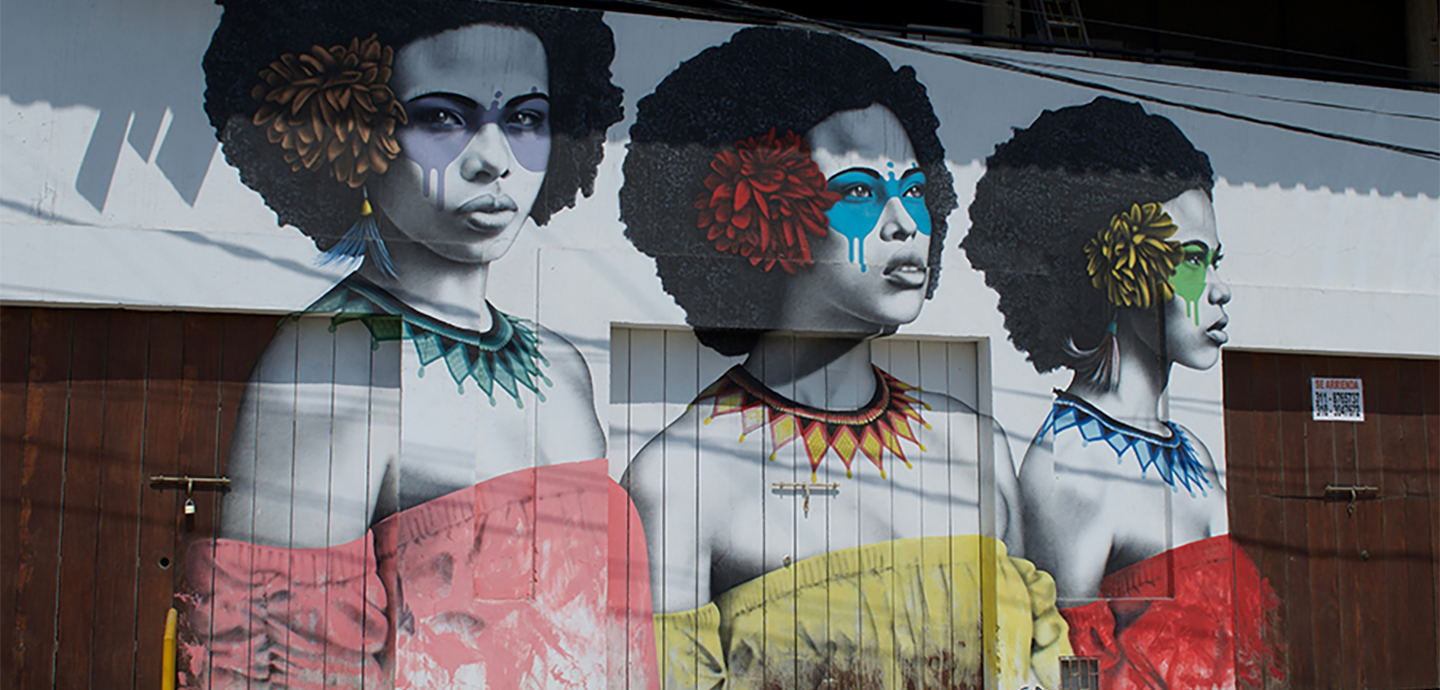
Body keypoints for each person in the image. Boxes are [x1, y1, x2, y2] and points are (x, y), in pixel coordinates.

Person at [180, 2, 655, 688]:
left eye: (523, 118)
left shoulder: (562, 367)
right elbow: (272, 657)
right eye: (442, 117)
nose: (493, 161)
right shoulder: (328, 363)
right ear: (353, 130)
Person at [621, 27, 1069, 690]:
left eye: (915, 190)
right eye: (858, 192)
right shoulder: (679, 479)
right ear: (763, 210)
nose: (905, 224)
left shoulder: (976, 445)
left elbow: (1042, 655)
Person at [964, 96, 1282, 689]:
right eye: (1191, 262)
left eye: (1215, 261)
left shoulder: (1191, 450)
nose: (1220, 290)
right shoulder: (1068, 468)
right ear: (1120, 268)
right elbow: (1066, 662)